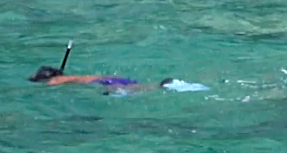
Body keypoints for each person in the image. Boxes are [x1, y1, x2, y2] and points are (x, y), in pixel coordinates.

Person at [27, 66, 208, 95]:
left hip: (107, 84)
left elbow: (50, 86)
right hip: (112, 79)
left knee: (132, 91)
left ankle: (165, 86)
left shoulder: (57, 80)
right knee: (138, 87)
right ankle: (163, 85)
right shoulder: (75, 76)